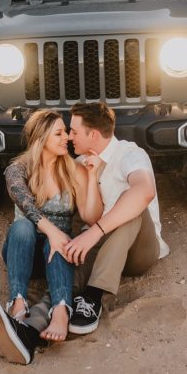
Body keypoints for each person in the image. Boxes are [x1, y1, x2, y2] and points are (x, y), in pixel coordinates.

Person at [0, 110, 104, 365]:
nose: (66, 138)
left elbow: (92, 217)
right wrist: (54, 231)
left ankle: (60, 310)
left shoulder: (73, 169)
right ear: (41, 137)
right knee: (22, 227)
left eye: (66, 132)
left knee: (59, 243)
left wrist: (91, 178)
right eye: (58, 133)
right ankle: (18, 303)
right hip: (22, 253)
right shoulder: (18, 169)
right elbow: (24, 202)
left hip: (54, 257)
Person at [63, 101, 170, 334]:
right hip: (103, 248)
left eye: (74, 131)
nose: (70, 137)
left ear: (92, 134)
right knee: (70, 271)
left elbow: (144, 191)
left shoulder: (130, 154)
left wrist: (94, 233)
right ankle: (45, 315)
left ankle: (93, 297)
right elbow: (90, 217)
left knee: (131, 205)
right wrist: (90, 177)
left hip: (139, 252)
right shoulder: (81, 163)